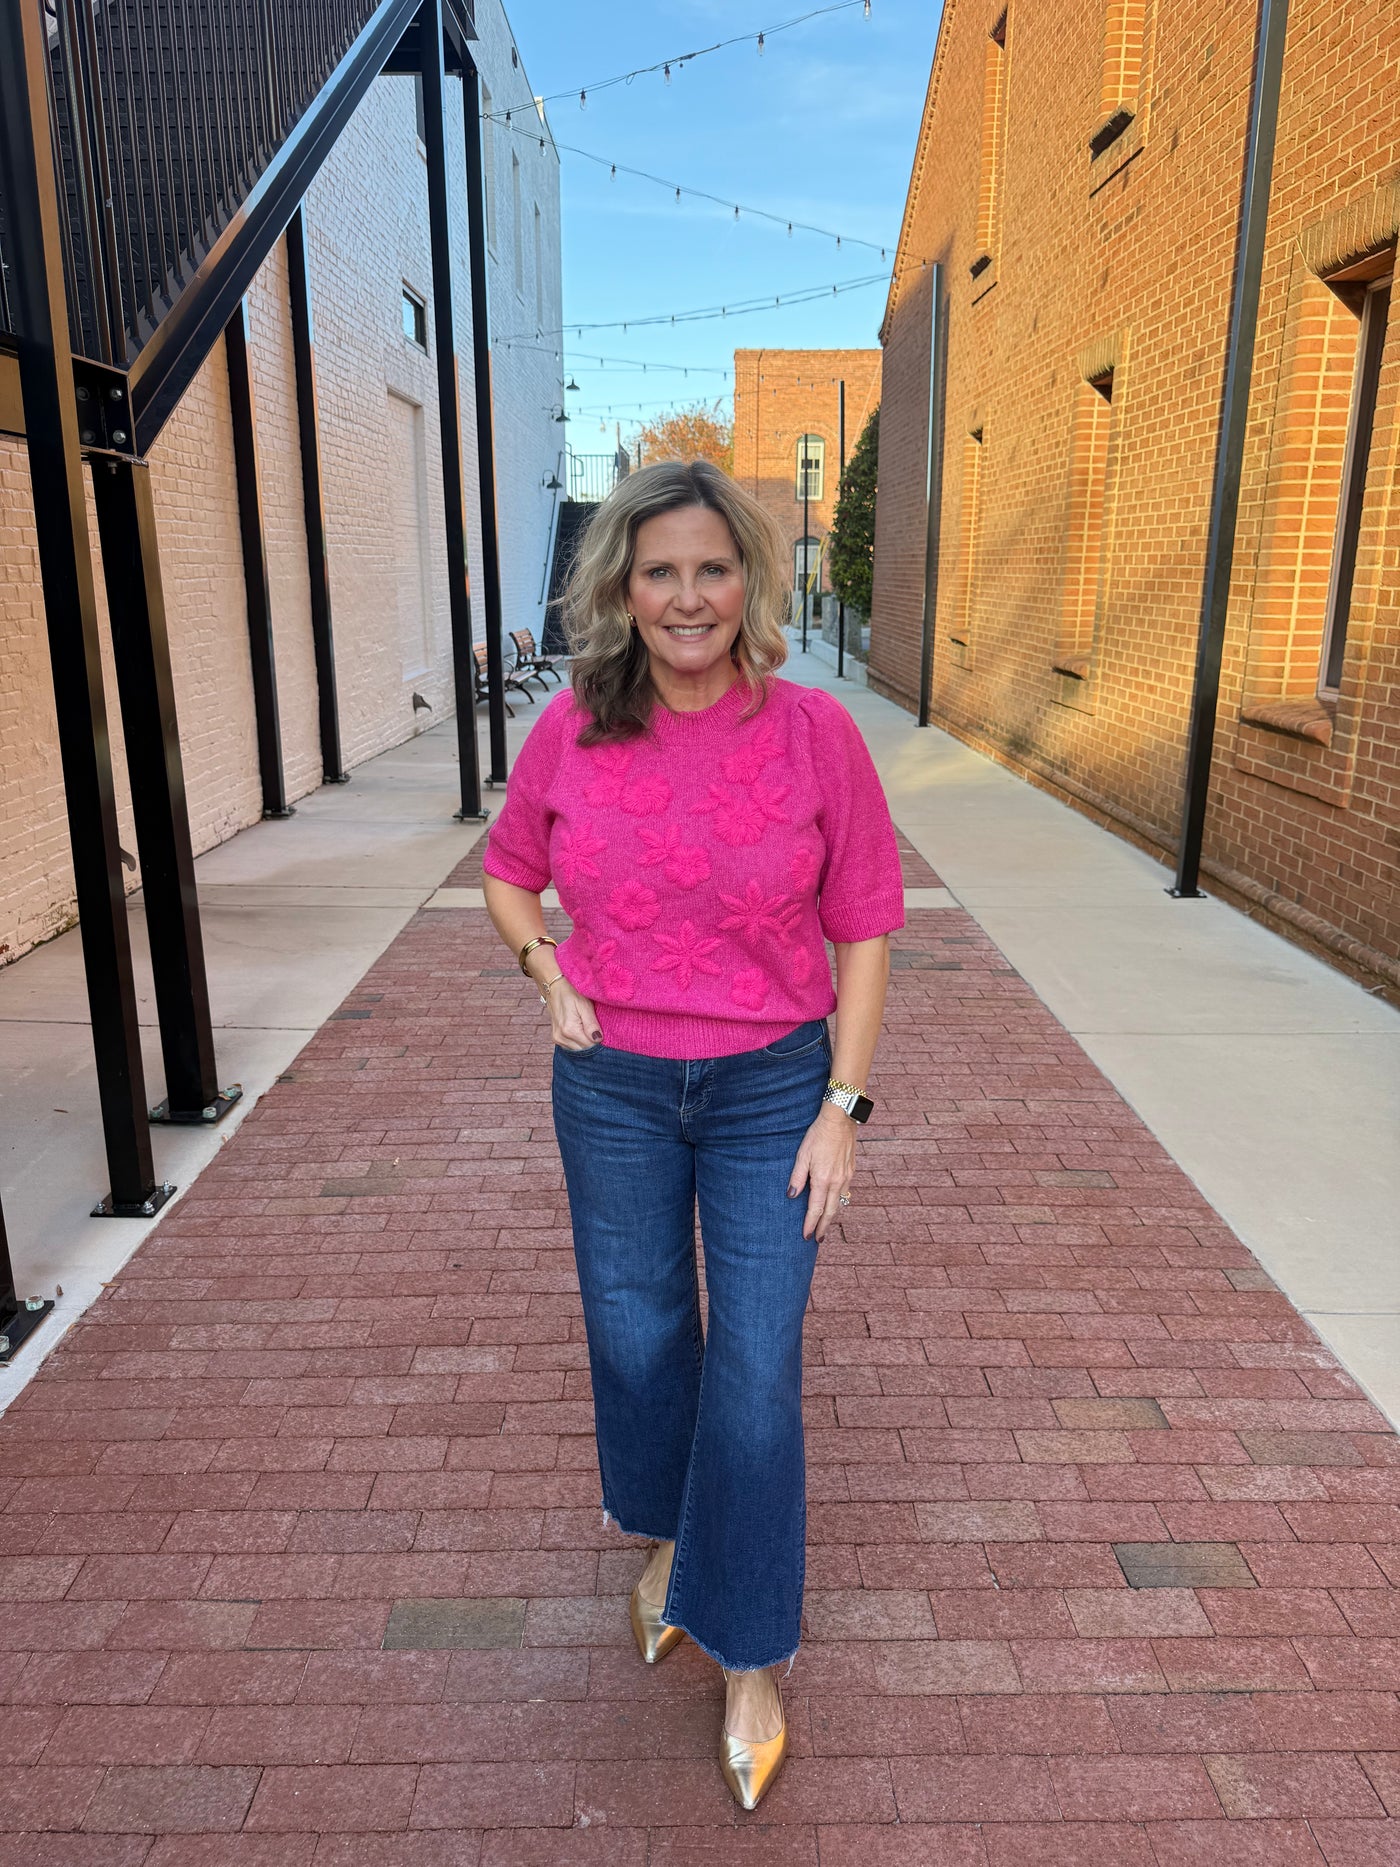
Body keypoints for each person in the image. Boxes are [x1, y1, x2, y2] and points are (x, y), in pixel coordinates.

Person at [481, 459, 902, 1809]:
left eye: (712, 569)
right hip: (611, 1087)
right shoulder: (572, 730)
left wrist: (844, 1106)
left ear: (751, 582)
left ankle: (750, 1650)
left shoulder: (814, 736)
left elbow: (866, 922)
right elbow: (507, 873)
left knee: (758, 1369)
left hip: (773, 1090)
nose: (686, 597)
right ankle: (663, 1542)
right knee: (642, 1333)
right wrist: (549, 977)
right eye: (658, 570)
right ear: (622, 584)